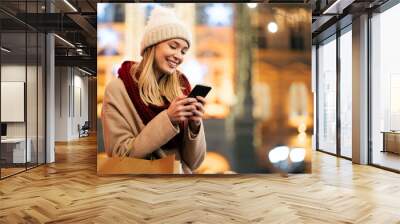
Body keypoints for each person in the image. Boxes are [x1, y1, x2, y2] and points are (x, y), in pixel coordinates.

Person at [101, 6, 207, 174]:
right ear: (152, 46)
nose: (179, 56)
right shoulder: (118, 89)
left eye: (183, 51)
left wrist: (194, 125)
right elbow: (119, 155)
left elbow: (194, 163)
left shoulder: (181, 89)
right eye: (173, 46)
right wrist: (169, 119)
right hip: (139, 189)